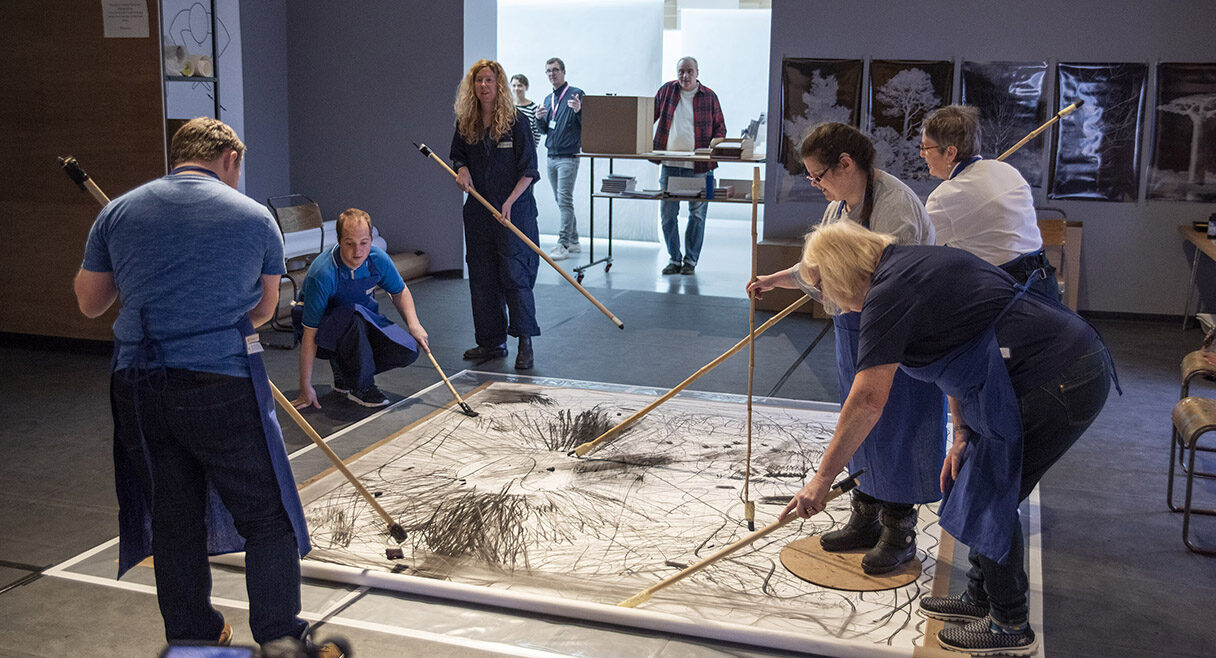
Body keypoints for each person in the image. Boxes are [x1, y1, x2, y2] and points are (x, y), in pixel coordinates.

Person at [781, 220, 1116, 656]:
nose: (826, 300)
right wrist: (960, 433)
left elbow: (866, 401)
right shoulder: (907, 267)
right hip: (1042, 370)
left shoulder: (889, 293)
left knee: (991, 492)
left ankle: (1008, 624)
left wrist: (821, 480)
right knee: (969, 474)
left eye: (822, 286)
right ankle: (981, 597)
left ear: (840, 270)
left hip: (1059, 378)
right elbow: (955, 348)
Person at [73, 118, 335, 654]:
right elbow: (264, 310)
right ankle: (281, 637)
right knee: (266, 514)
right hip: (220, 383)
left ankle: (194, 633)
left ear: (178, 156)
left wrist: (144, 277)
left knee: (173, 515)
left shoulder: (118, 212)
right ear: (230, 159)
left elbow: (90, 302)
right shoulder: (254, 217)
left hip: (139, 385)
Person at [748, 122, 942, 575]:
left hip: (898, 328)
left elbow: (890, 287)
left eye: (819, 176)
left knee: (895, 422)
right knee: (856, 419)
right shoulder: (842, 203)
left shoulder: (895, 209)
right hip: (854, 324)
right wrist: (777, 280)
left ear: (847, 164)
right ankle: (865, 513)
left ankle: (899, 526)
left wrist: (819, 479)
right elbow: (823, 261)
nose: (816, 186)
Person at [450, 59, 541, 370]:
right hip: (479, 211)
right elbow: (457, 156)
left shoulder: (517, 122)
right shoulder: (467, 122)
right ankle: (491, 342)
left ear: (499, 84)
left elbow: (529, 170)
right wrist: (461, 171)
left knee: (515, 276)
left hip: (514, 212)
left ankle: (524, 342)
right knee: (482, 276)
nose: (484, 86)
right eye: (479, 81)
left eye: (489, 80)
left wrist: (510, 202)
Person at [290, 208, 428, 409]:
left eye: (364, 243)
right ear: (338, 240)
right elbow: (310, 334)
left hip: (362, 321)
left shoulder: (377, 259)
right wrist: (305, 387)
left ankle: (346, 373)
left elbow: (400, 291)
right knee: (353, 316)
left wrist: (414, 325)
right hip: (322, 331)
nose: (357, 252)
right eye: (349, 244)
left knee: (408, 349)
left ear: (371, 240)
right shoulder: (323, 274)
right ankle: (362, 386)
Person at [921, 104, 1060, 301]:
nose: (922, 154)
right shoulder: (1007, 171)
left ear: (950, 153)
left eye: (926, 147)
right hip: (1043, 284)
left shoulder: (945, 196)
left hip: (1005, 296)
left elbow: (919, 245)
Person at [653, 56, 726, 276]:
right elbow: (647, 116)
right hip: (670, 163)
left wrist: (714, 148)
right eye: (681, 71)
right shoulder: (666, 91)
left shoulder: (709, 96)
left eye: (689, 71)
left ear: (697, 72)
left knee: (697, 215)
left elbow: (720, 129)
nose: (685, 76)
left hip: (700, 167)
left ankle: (690, 261)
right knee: (667, 214)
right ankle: (674, 259)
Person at [535, 57, 583, 261]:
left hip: (568, 157)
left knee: (564, 200)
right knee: (561, 200)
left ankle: (562, 244)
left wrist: (580, 111)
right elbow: (545, 129)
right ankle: (574, 241)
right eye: (548, 71)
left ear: (563, 72)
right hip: (551, 155)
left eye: (555, 70)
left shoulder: (576, 94)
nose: (552, 74)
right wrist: (538, 119)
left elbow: (587, 123)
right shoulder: (548, 99)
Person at [510, 73, 542, 148]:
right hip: (510, 151)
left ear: (526, 87)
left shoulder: (533, 108)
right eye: (514, 85)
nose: (516, 88)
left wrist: (531, 149)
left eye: (520, 85)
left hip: (527, 149)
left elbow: (537, 132)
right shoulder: (507, 107)